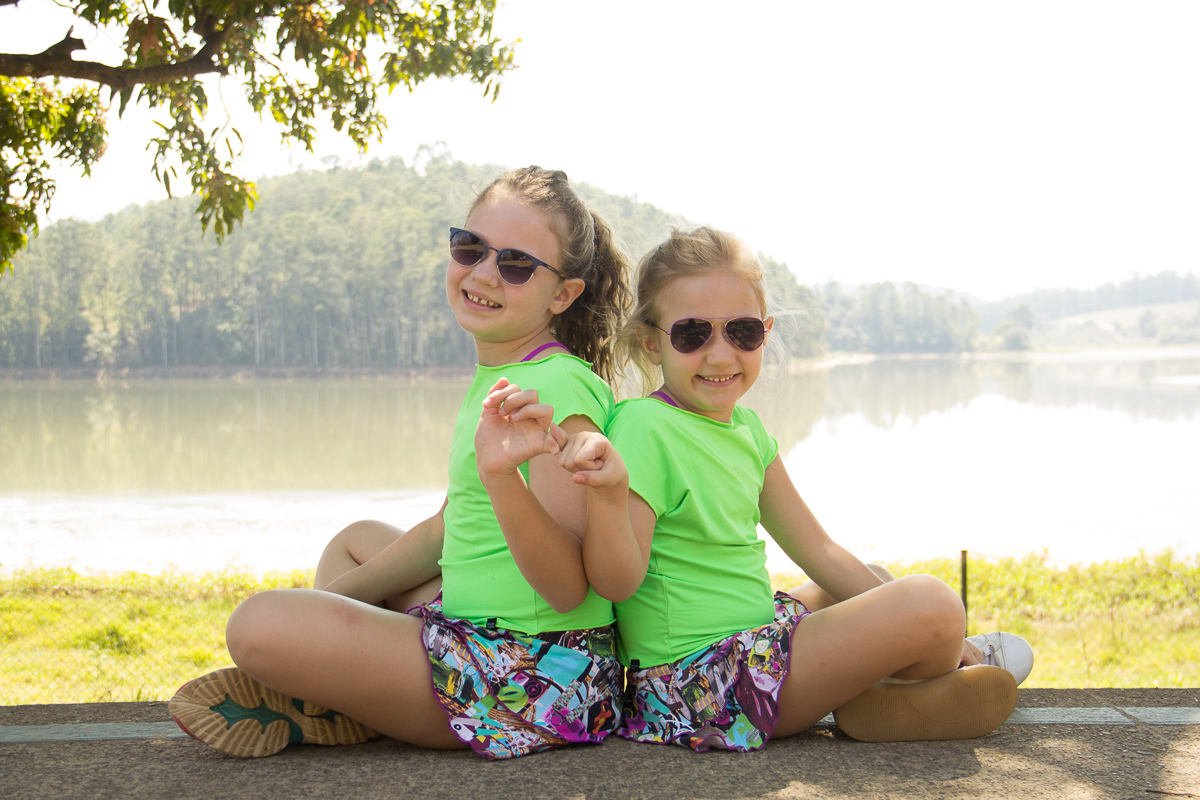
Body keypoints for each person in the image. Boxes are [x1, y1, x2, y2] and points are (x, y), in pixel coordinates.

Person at [169, 166, 634, 760]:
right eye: (471, 248)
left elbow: (569, 587)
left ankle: (333, 698)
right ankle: (339, 695)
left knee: (256, 625)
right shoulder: (504, 373)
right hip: (480, 630)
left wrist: (322, 619)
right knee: (356, 543)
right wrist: (336, 603)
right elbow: (448, 527)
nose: (484, 273)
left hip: (535, 679)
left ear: (563, 293)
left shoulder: (553, 390)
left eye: (516, 265)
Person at [544, 226, 1025, 750]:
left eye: (742, 332)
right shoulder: (643, 427)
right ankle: (914, 678)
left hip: (750, 650)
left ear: (765, 333)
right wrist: (941, 635)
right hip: (697, 686)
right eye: (692, 334)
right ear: (650, 342)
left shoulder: (748, 431)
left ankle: (882, 696)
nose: (721, 354)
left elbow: (817, 549)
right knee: (933, 604)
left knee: (874, 580)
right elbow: (618, 582)